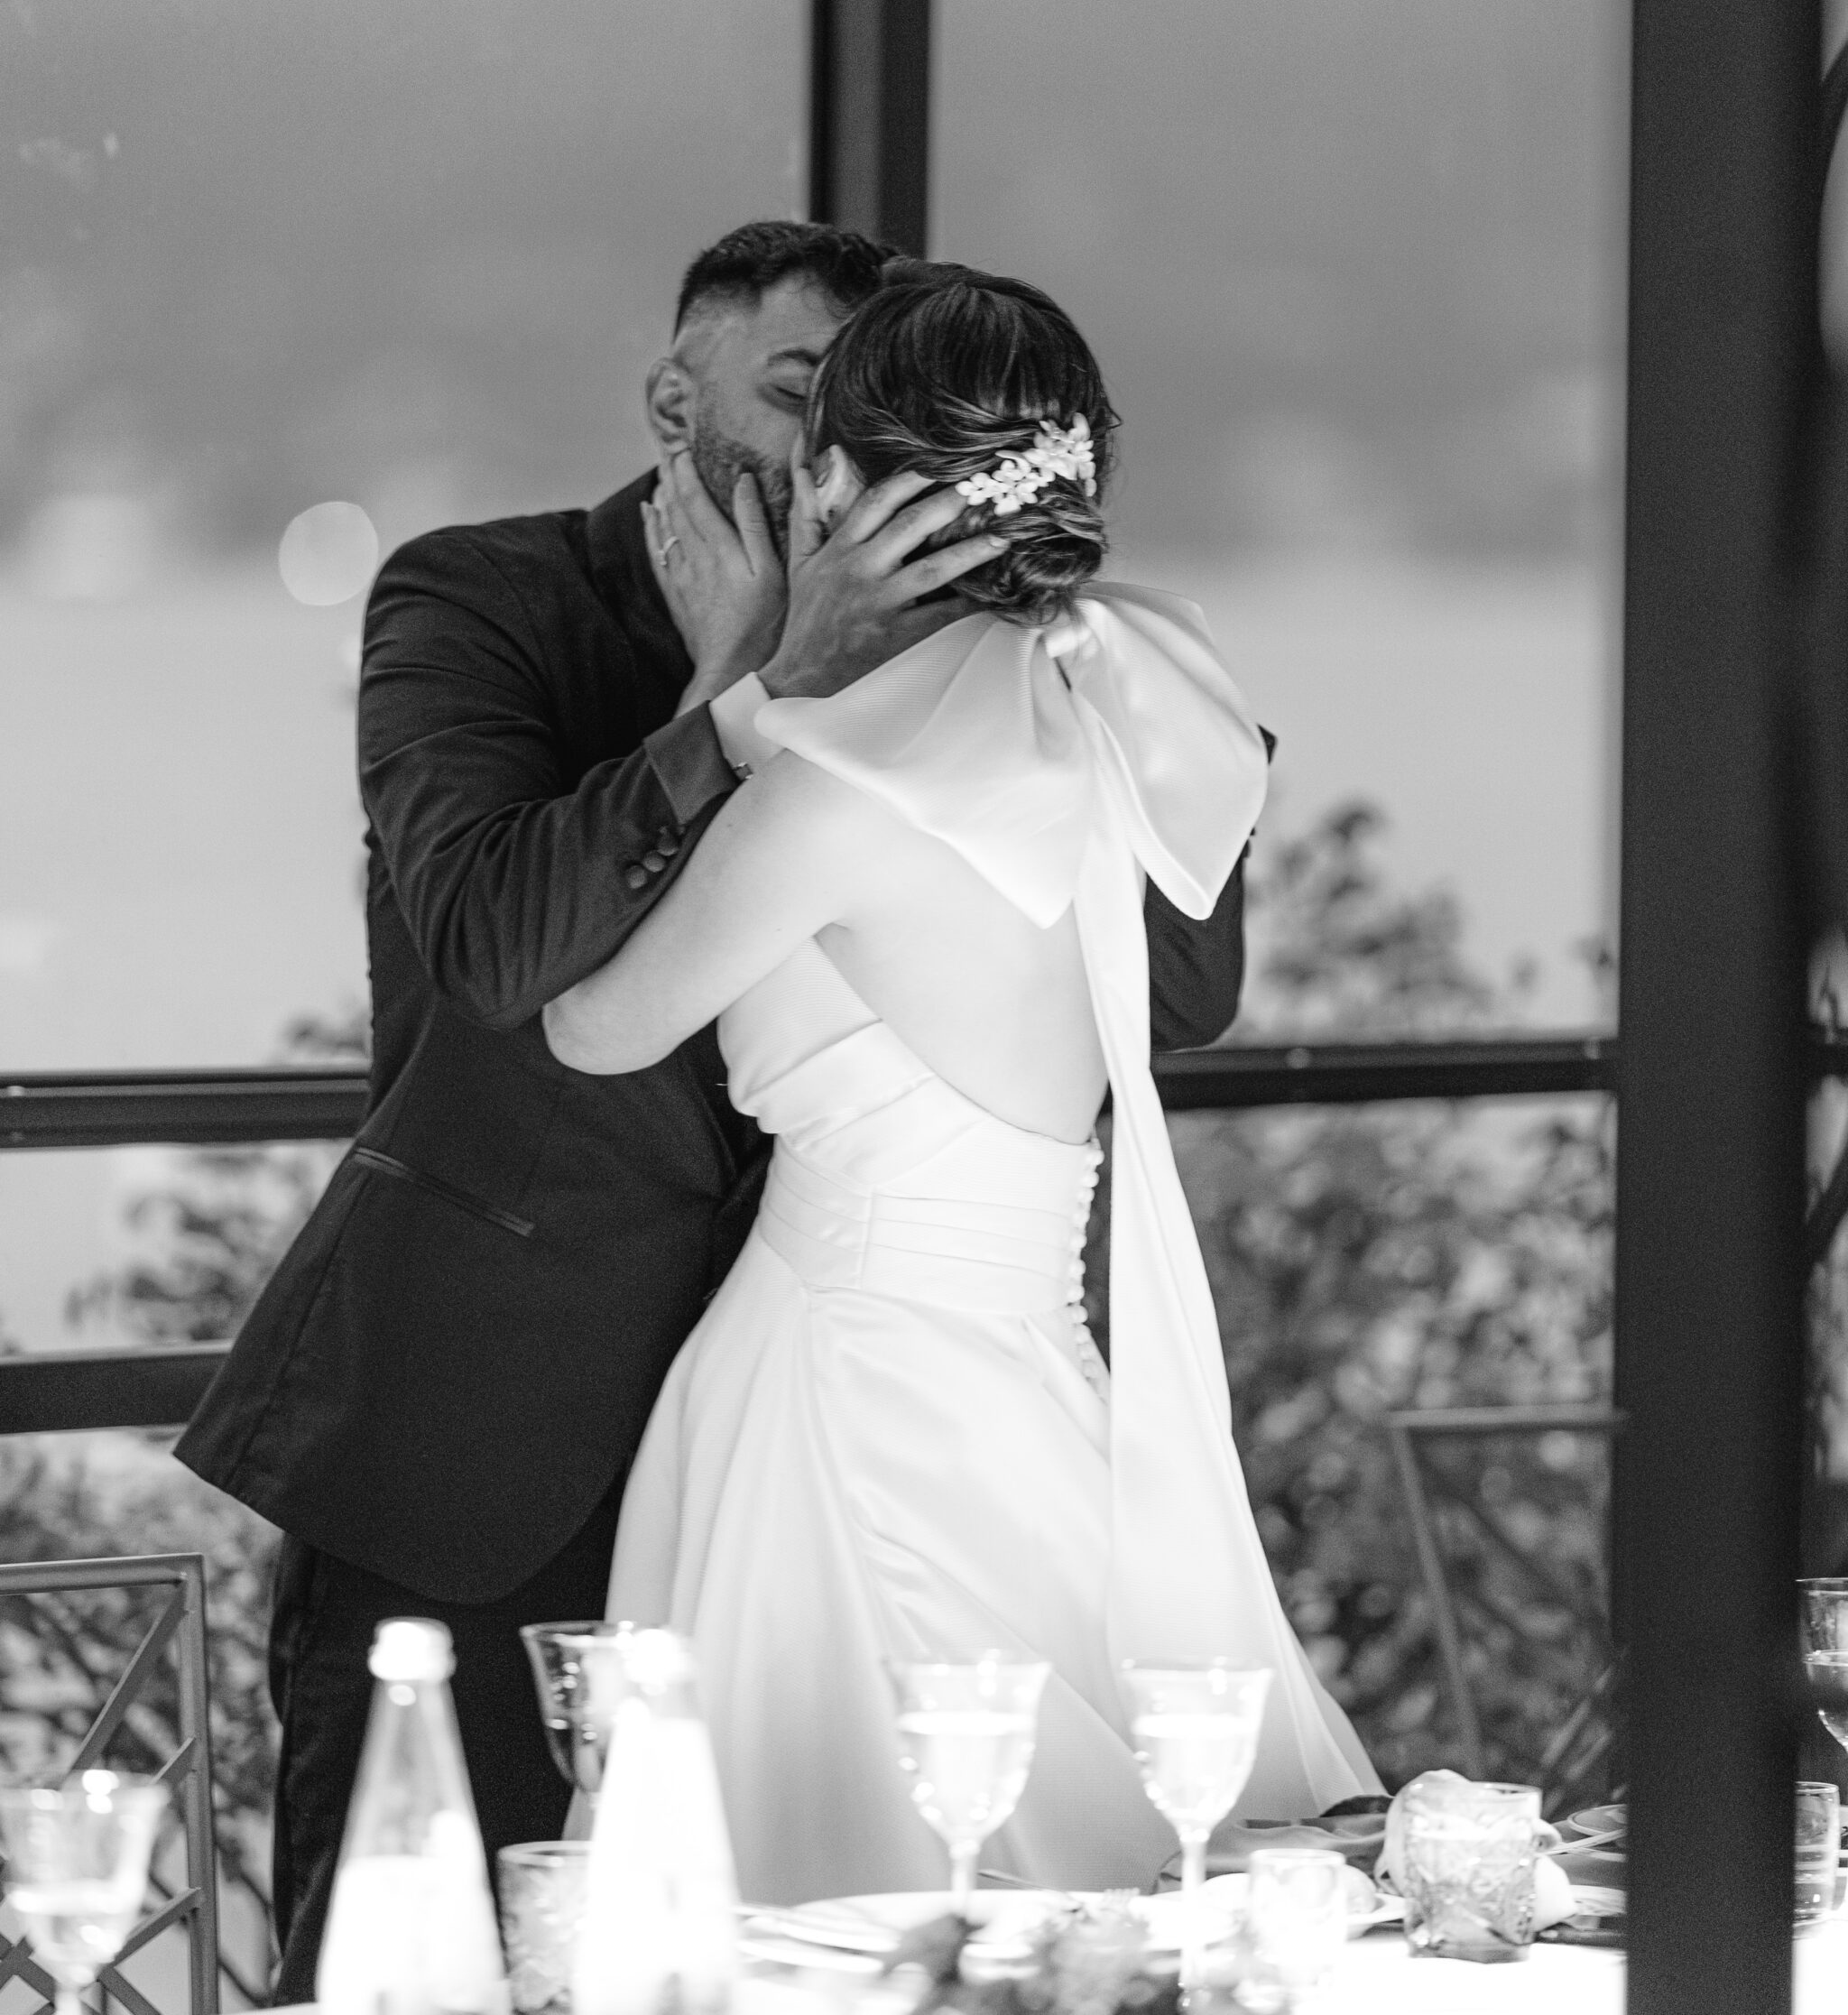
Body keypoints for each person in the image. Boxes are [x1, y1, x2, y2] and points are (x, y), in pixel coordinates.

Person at [173, 223, 1260, 1997]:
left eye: (868, 407)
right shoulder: (482, 595)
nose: (836, 448)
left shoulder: (1011, 688)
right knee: (437, 1966)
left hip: (840, 1429)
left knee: (834, 1944)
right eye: (793, 390)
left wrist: (1022, 707)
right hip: (498, 1441)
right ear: (674, 396)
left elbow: (1178, 999)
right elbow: (501, 943)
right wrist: (753, 693)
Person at [544, 266, 1380, 1905]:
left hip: (838, 1395)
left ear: (841, 488)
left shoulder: (834, 788)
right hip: (1039, 1390)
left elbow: (592, 1025)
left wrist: (736, 671)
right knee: (1092, 1880)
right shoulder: (1116, 722)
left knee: (850, 1912)